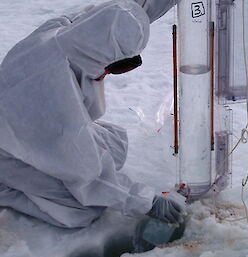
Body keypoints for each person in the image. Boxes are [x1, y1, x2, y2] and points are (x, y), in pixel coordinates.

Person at [0, 0, 184, 228]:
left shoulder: (66, 33)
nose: (111, 72)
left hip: (22, 126)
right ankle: (6, 188)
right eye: (117, 67)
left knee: (114, 147)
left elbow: (119, 17)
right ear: (100, 56)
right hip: (10, 151)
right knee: (82, 208)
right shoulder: (53, 95)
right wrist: (145, 201)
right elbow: (86, 174)